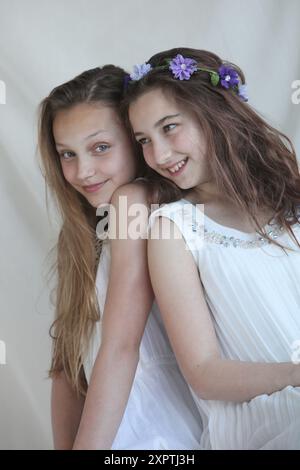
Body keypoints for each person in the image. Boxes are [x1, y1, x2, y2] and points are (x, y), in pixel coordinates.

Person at [124, 47, 300, 449]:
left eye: (169, 127)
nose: (159, 155)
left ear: (215, 112)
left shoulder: (292, 198)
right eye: (144, 141)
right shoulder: (174, 229)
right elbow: (204, 372)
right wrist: (295, 375)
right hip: (263, 420)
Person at [38, 65, 202, 450]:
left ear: (135, 140)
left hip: (166, 432)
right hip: (109, 433)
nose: (83, 171)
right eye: (67, 154)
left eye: (100, 148)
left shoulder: (139, 203)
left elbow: (122, 346)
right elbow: (68, 367)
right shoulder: (79, 234)